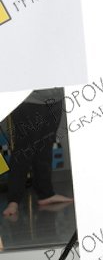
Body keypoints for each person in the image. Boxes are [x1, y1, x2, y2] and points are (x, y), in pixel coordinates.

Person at [2, 89, 72, 218]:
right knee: (24, 149)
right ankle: (13, 200)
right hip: (27, 98)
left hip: (55, 97)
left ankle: (46, 194)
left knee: (46, 146)